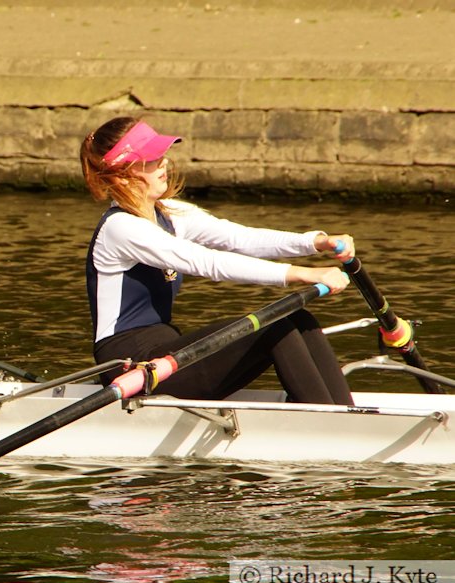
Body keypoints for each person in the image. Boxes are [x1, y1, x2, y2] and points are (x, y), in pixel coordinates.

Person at [80, 116, 354, 405]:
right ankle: (326, 423)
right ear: (122, 174)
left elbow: (239, 238)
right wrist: (303, 274)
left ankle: (344, 412)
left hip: (164, 352)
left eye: (161, 153)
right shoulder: (120, 228)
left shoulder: (170, 213)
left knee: (300, 318)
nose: (163, 162)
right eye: (150, 158)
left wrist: (315, 242)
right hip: (130, 365)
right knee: (276, 328)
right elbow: (206, 262)